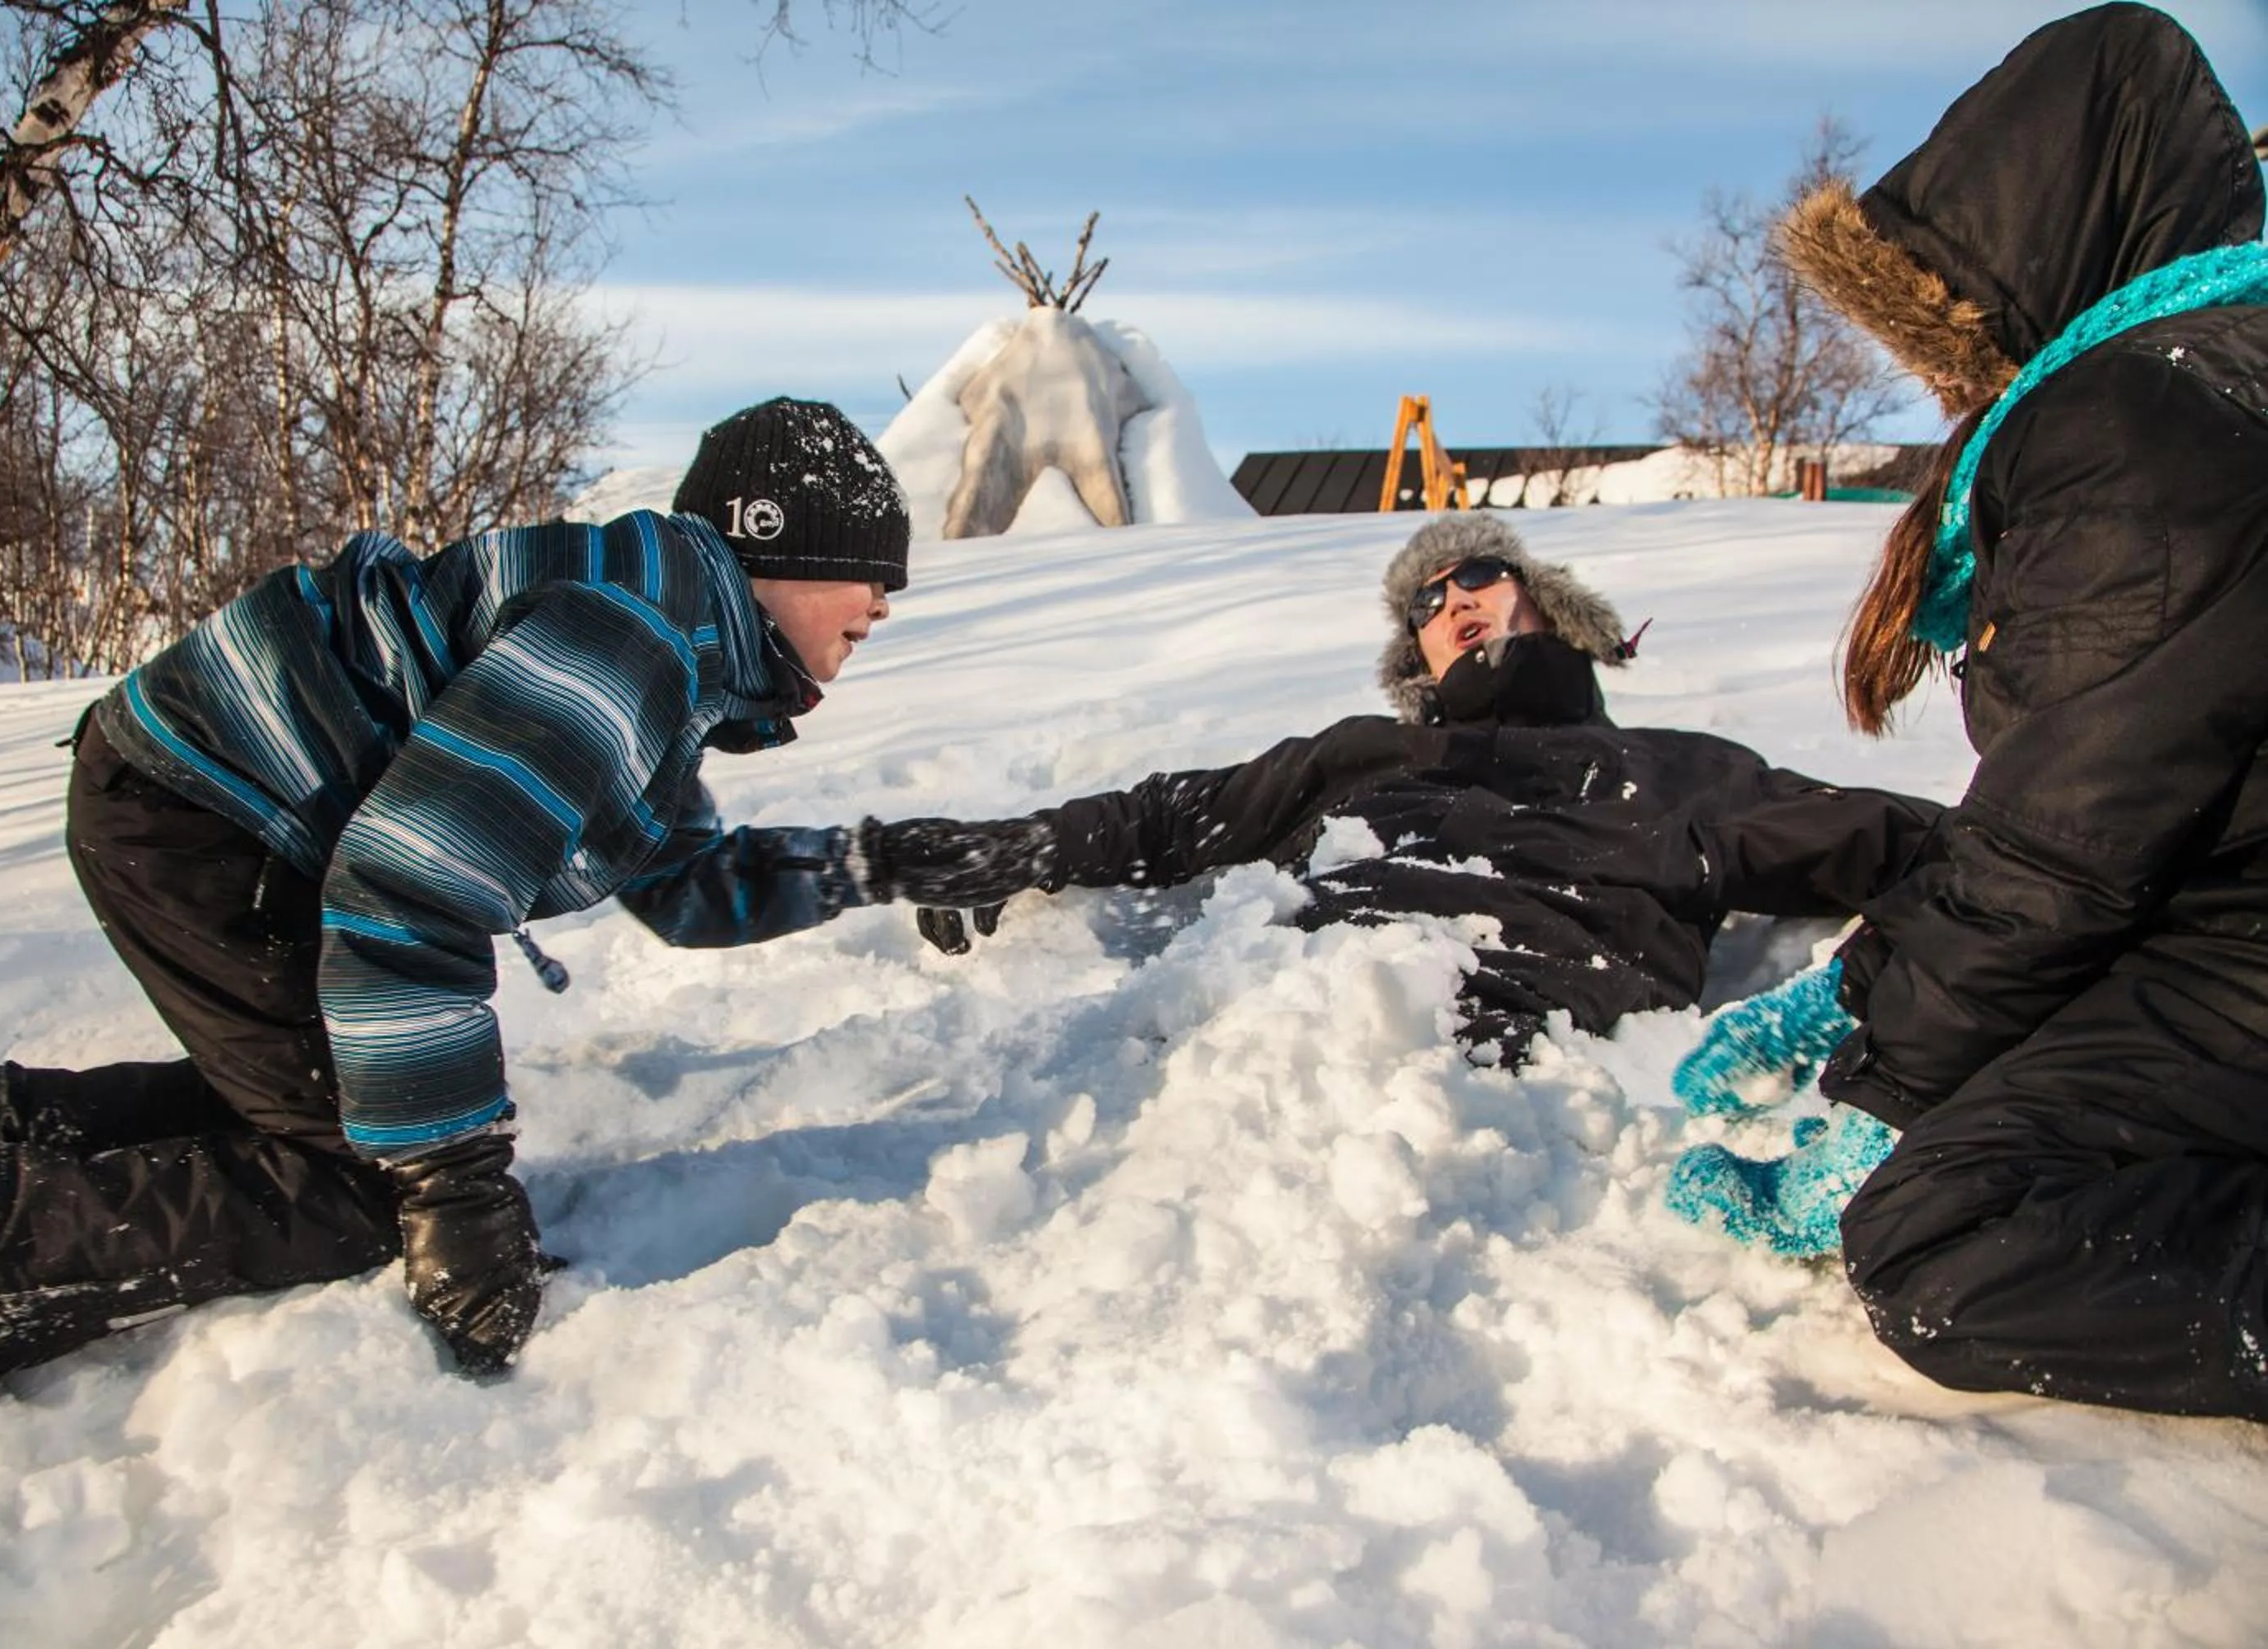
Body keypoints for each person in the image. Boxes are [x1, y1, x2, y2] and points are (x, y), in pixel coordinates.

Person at [0, 397, 930, 1471]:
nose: (880, 607)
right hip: (213, 816)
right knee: (351, 1188)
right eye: (868, 576)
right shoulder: (627, 640)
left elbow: (694, 886)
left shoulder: (665, 642)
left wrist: (896, 861)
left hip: (207, 799)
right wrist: (452, 1184)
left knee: (337, 1103)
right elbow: (408, 893)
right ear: (775, 549)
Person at [1668, 2, 2268, 1421]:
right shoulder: (2208, 376)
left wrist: (1887, 1099)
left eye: (1936, 315)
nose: (1939, 373)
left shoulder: (2144, 413)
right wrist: (1865, 988)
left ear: (2036, 254)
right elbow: (2102, 790)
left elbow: (2073, 845)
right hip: (2225, 915)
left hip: (2233, 940)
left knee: (1943, 1234)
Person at [859, 514, 1943, 1063]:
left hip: (1528, 1043)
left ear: (1544, 601)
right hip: (1297, 1023)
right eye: (1426, 601)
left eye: (1478, 574)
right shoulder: (1364, 752)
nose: (1453, 600)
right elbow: (1168, 814)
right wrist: (1012, 848)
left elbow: (1902, 843)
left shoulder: (1678, 764)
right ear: (1414, 657)